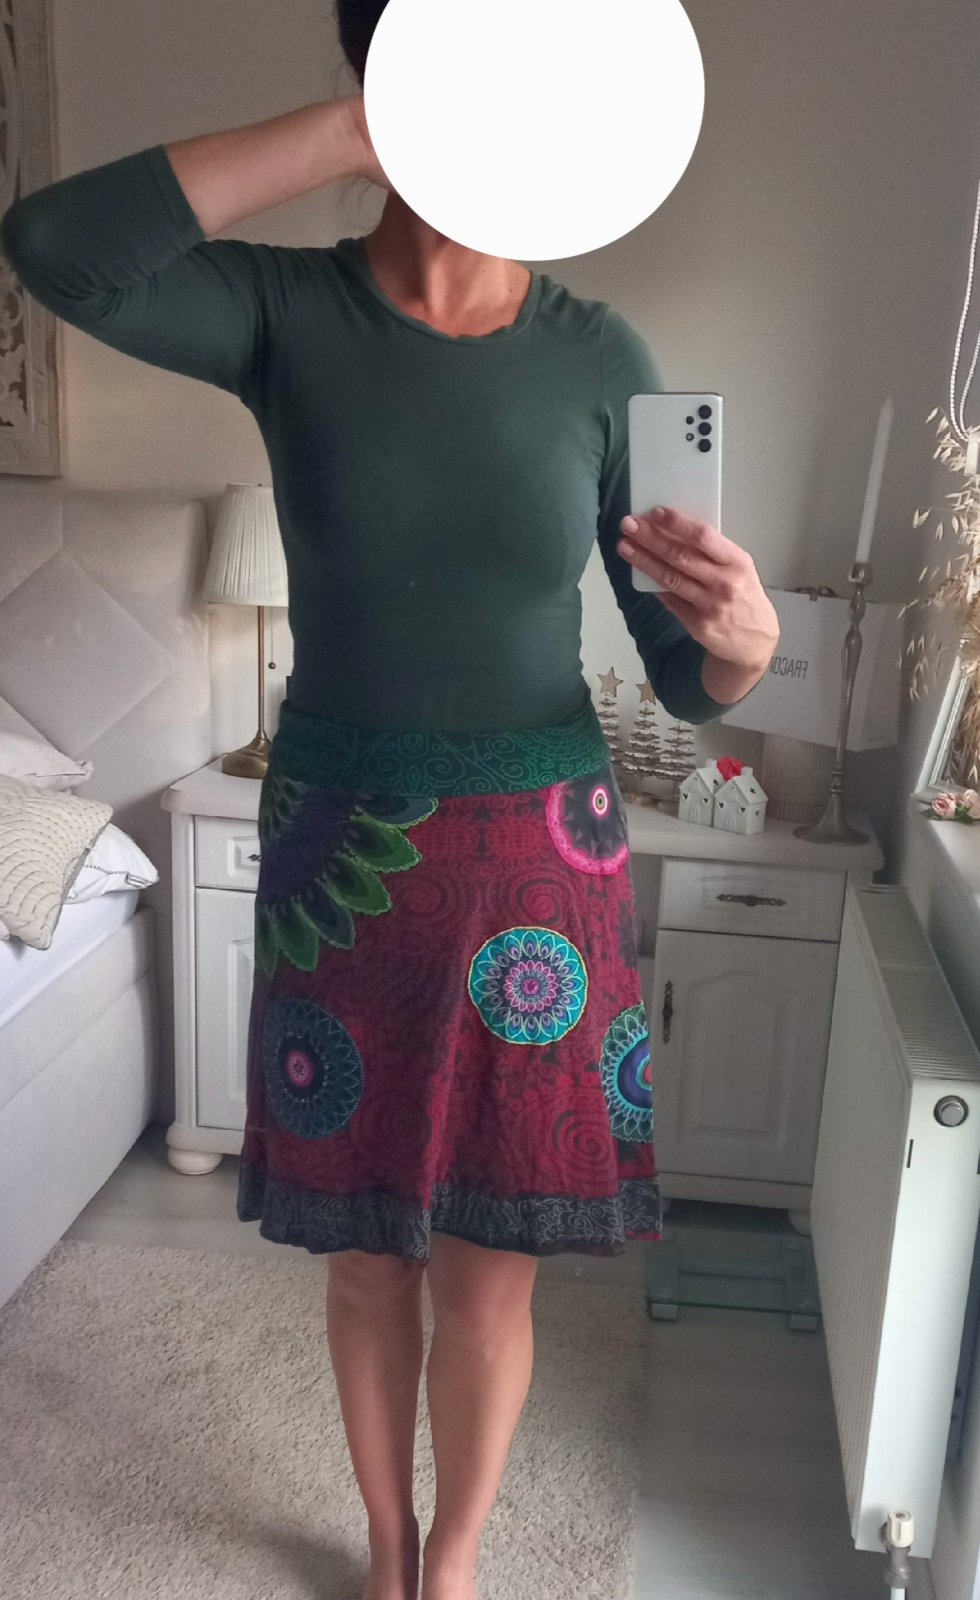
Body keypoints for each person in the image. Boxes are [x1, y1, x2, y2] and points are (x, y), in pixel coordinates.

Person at [0, 7, 778, 1597]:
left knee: (494, 1273)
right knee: (366, 1261)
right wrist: (365, 131)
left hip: (542, 859)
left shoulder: (604, 358)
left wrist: (745, 649)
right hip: (343, 846)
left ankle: (459, 1557)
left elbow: (682, 674)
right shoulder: (285, 313)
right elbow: (57, 248)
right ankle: (385, 1533)